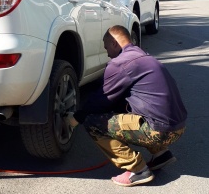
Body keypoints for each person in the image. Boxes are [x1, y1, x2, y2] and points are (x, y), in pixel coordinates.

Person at [66, 25, 187, 187]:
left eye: (106, 47)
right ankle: (161, 154)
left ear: (115, 43)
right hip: (177, 127)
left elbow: (102, 100)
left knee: (92, 122)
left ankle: (138, 170)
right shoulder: (143, 56)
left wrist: (77, 117)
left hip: (160, 131)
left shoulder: (120, 63)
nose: (107, 53)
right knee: (123, 110)